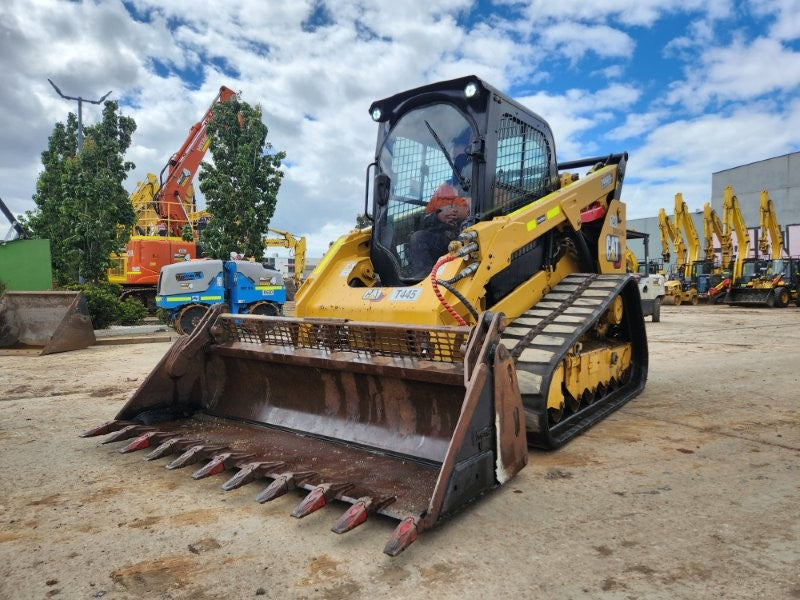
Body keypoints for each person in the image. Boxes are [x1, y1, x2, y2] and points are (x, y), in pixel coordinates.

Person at [408, 183, 469, 278]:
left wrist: (465, 216)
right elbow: (422, 221)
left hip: (466, 240)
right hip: (443, 241)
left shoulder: (473, 194)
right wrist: (438, 217)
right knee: (418, 237)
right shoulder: (438, 198)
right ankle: (424, 280)